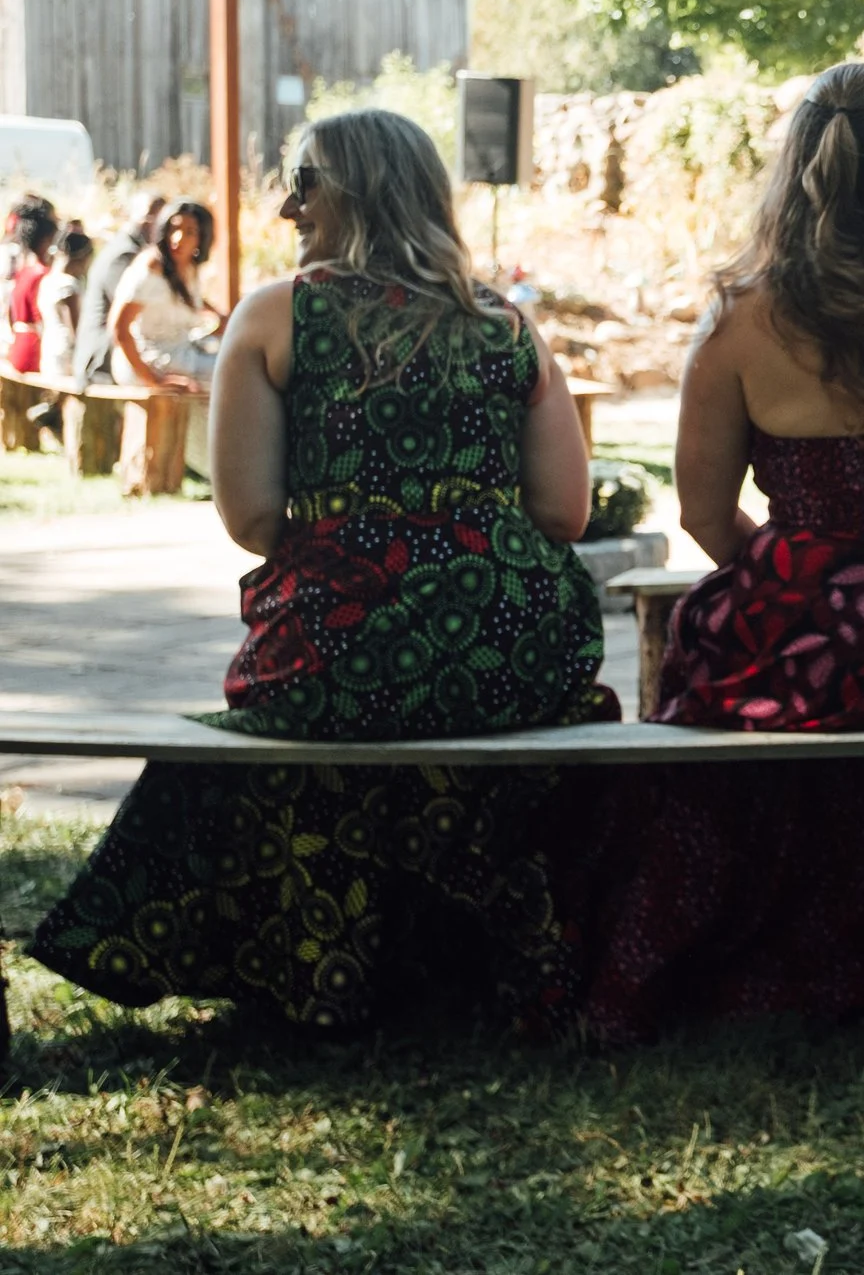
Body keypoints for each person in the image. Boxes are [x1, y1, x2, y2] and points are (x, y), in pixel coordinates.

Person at [29, 110, 617, 1033]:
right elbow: (565, 514)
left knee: (283, 720)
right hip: (518, 652)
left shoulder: (277, 313)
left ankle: (305, 963)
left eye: (304, 181)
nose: (285, 204)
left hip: (337, 644)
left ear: (359, 191)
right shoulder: (509, 326)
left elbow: (254, 519)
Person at [536, 61, 864, 1042]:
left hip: (807, 620)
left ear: (796, 163)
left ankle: (762, 967)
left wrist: (806, 576)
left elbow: (705, 514)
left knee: (717, 676)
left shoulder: (743, 315)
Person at [109, 198, 222, 390]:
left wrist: (221, 316)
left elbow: (183, 298)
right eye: (174, 228)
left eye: (189, 232)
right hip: (145, 361)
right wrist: (154, 380)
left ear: (202, 238)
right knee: (229, 371)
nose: (178, 239)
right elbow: (119, 329)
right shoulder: (152, 267)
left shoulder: (188, 267)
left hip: (180, 351)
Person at [75, 196, 166, 385]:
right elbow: (130, 313)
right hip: (99, 358)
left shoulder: (126, 248)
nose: (154, 225)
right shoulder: (125, 254)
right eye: (150, 217)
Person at [4, 199, 57, 374]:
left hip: (16, 347)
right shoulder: (42, 275)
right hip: (34, 352)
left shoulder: (23, 272)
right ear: (47, 240)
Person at [37, 229, 93, 377]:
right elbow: (74, 326)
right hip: (66, 355)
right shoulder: (68, 285)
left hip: (49, 349)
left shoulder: (47, 280)